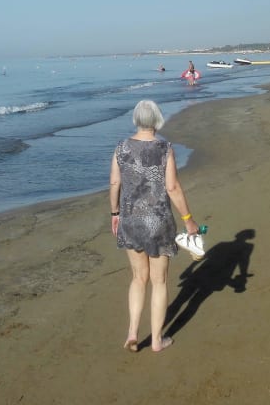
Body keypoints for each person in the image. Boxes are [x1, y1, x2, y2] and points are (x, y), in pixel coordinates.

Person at [109, 100, 199, 353]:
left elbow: (114, 183)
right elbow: (172, 187)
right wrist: (188, 219)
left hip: (131, 219)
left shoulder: (121, 147)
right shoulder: (164, 148)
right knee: (159, 281)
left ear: (136, 119)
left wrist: (115, 213)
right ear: (157, 120)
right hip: (159, 220)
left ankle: (132, 333)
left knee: (138, 278)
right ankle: (157, 340)